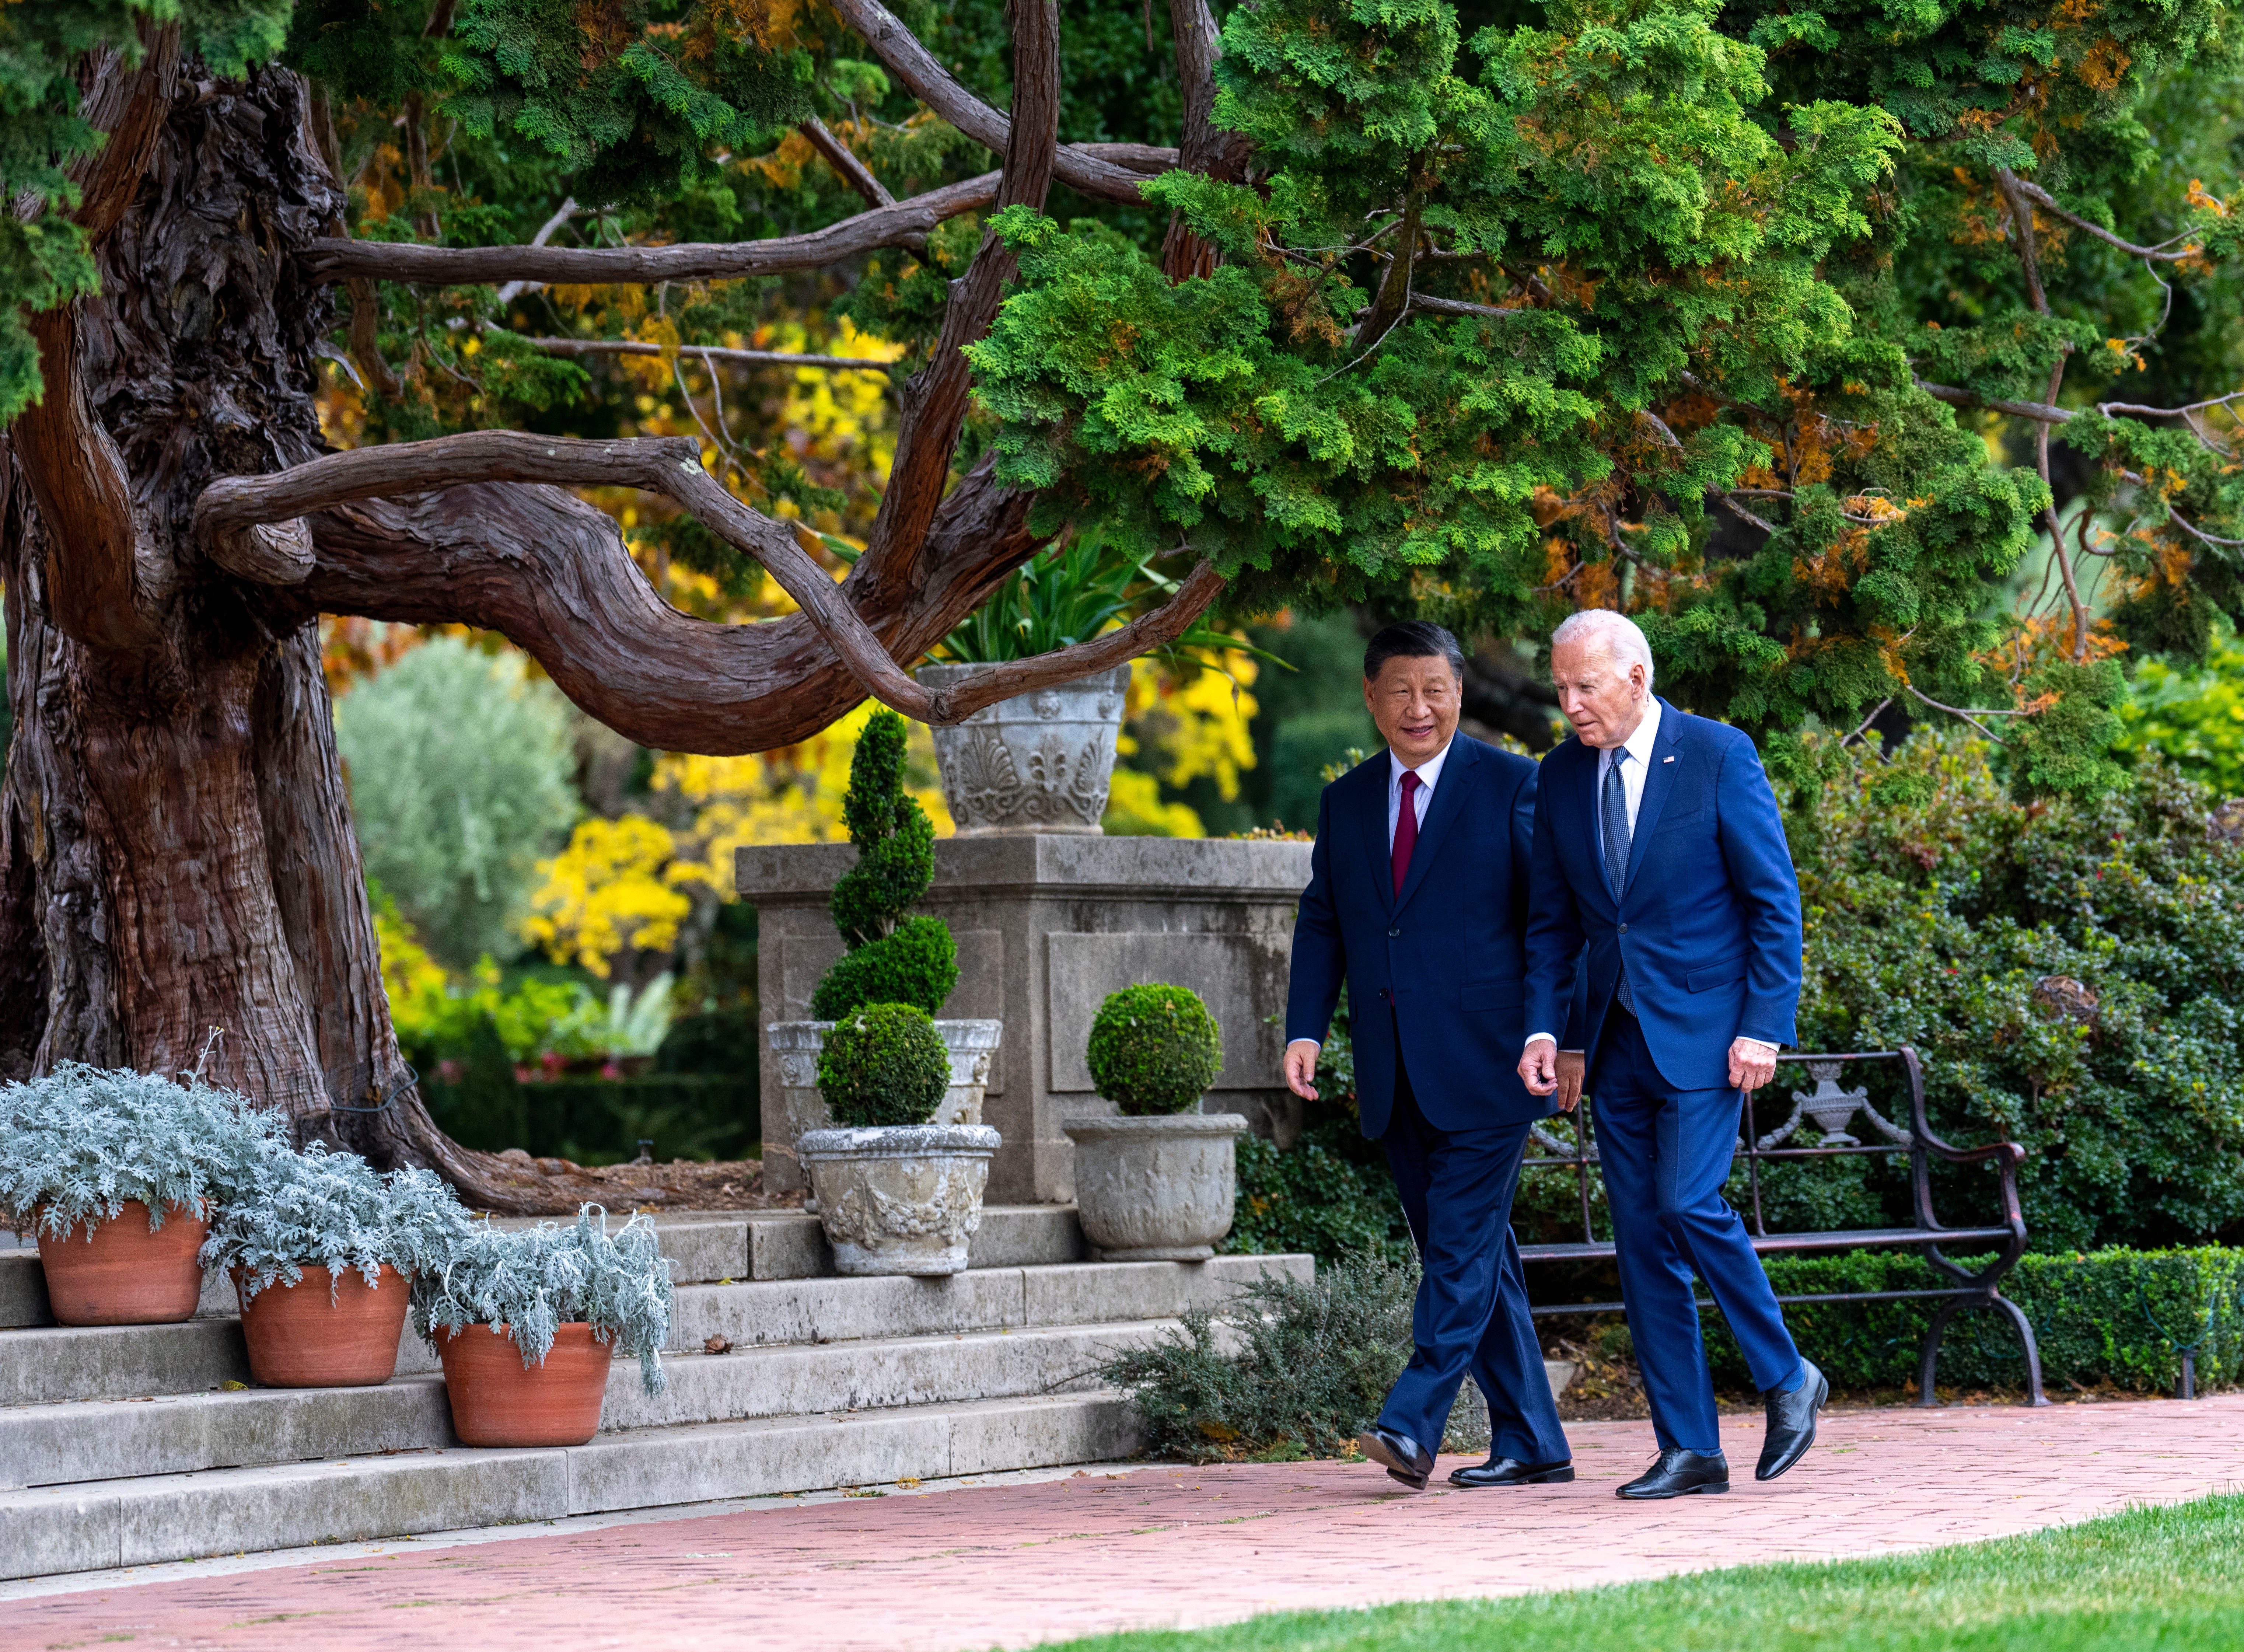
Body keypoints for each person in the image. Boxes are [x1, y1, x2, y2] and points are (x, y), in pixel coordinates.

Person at [1517, 609, 1825, 1501]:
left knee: (1689, 1200)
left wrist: (1765, 1023)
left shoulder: (1720, 755)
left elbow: (1775, 902)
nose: (1571, 703)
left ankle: (1787, 1373)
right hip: (1612, 1045)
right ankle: (1691, 1447)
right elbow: (1555, 925)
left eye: (1587, 686)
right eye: (1562, 688)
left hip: (1708, 1035)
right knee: (1644, 1240)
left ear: (1638, 679)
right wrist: (1553, 1032)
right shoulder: (1562, 777)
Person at [1284, 621, 1577, 1492]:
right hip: (1393, 1069)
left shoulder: (1513, 784)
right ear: (1371, 699)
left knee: (1457, 1249)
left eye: (1436, 689)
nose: (1421, 707)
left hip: (1494, 1063)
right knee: (1475, 1256)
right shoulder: (1346, 801)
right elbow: (1326, 918)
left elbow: (1552, 925)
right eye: (1401, 691)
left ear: (1459, 692)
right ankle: (1534, 1439)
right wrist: (1307, 1026)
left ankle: (1413, 1423)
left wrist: (1561, 1036)